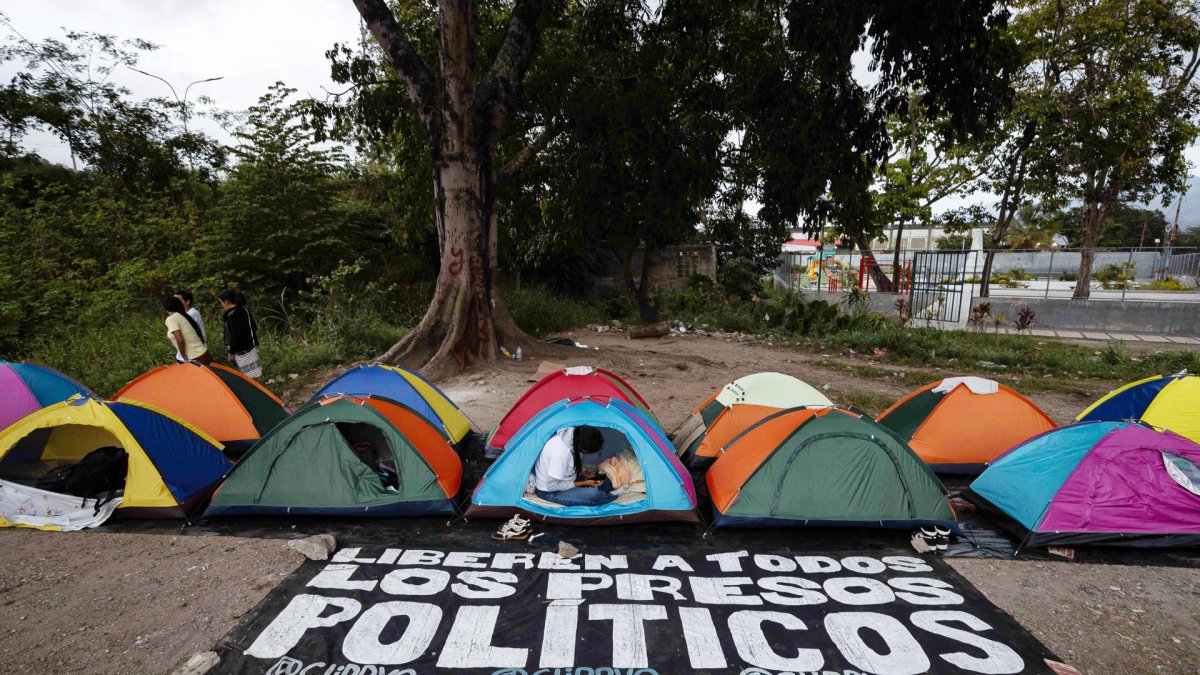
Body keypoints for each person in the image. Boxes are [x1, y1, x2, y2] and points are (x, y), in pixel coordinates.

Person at [533, 425, 617, 507]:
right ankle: (609, 494)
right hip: (549, 491)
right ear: (583, 449)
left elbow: (573, 460)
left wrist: (583, 471)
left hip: (567, 479)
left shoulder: (575, 437)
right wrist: (584, 483)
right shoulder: (560, 453)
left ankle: (605, 489)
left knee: (604, 479)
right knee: (596, 495)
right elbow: (552, 486)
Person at [218, 288, 261, 378]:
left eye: (221, 302)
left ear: (226, 301)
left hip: (241, 351)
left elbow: (235, 335)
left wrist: (231, 352)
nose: (221, 305)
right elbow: (254, 327)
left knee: (247, 379)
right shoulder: (244, 310)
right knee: (254, 376)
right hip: (250, 348)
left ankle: (251, 392)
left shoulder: (232, 315)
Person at [163, 296, 210, 364]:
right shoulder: (183, 316)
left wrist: (184, 356)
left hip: (194, 358)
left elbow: (180, 340)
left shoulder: (171, 319)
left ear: (166, 308)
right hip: (203, 355)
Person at [173, 289, 206, 362]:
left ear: (187, 302)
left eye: (179, 300)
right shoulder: (181, 314)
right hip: (185, 354)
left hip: (193, 353)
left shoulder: (192, 313)